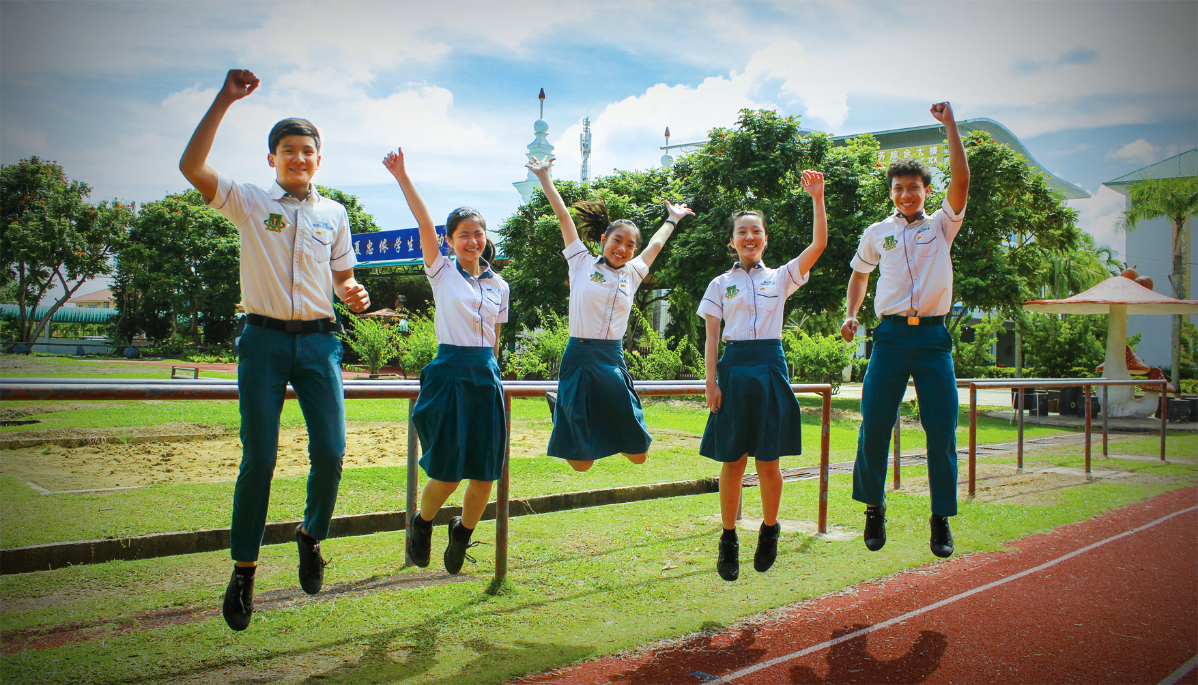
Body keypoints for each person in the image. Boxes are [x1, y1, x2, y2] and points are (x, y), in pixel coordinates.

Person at [179, 69, 370, 631]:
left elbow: (344, 281)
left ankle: (310, 536)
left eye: (307, 151)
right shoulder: (247, 200)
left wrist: (353, 293)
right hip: (261, 342)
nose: (298, 158)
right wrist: (224, 99)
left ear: (319, 159)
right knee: (259, 458)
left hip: (319, 344)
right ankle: (244, 570)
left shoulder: (334, 214)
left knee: (331, 452)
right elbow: (192, 167)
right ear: (272, 158)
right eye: (288, 151)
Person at [841, 101, 970, 559]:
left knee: (941, 429)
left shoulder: (942, 225)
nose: (905, 194)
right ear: (891, 193)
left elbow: (961, 180)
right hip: (890, 338)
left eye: (913, 187)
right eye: (898, 189)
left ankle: (940, 518)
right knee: (874, 423)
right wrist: (852, 312)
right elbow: (860, 273)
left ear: (925, 190)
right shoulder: (877, 232)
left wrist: (949, 125)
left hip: (933, 340)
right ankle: (873, 508)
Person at [383, 148, 510, 575]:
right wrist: (403, 177)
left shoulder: (500, 285)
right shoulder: (442, 271)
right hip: (450, 373)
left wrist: (491, 372)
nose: (473, 241)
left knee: (485, 473)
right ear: (451, 241)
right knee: (449, 470)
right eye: (463, 235)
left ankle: (462, 533)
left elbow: (495, 337)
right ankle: (421, 524)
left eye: (478, 233)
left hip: (485, 377)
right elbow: (423, 222)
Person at [698, 170, 827, 581]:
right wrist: (711, 381)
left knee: (768, 460)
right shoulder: (720, 284)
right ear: (732, 242)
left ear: (765, 239)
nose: (749, 237)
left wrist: (817, 198)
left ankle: (770, 530)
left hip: (770, 365)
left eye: (756, 231)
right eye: (742, 232)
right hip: (734, 369)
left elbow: (819, 244)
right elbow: (712, 338)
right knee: (733, 460)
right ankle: (729, 538)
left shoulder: (782, 276)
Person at [526, 156, 694, 471]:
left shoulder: (632, 272)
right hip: (579, 356)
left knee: (638, 453)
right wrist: (544, 177)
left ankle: (567, 405)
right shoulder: (581, 263)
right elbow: (563, 216)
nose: (623, 248)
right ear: (604, 240)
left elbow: (656, 246)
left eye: (630, 245)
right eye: (617, 240)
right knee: (581, 464)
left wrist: (673, 218)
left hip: (612, 360)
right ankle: (562, 404)